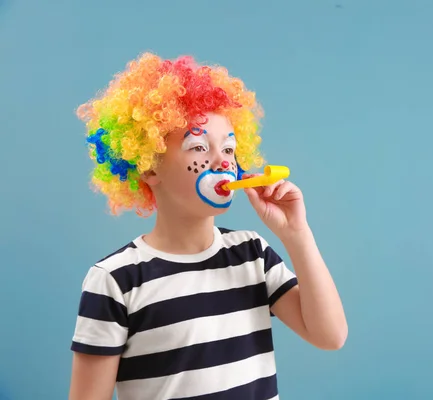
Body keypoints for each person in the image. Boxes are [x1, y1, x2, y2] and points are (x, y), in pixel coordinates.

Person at [68, 53, 347, 400]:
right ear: (149, 167)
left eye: (229, 148)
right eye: (199, 146)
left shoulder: (252, 255)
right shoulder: (115, 280)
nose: (222, 160)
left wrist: (296, 234)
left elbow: (330, 336)